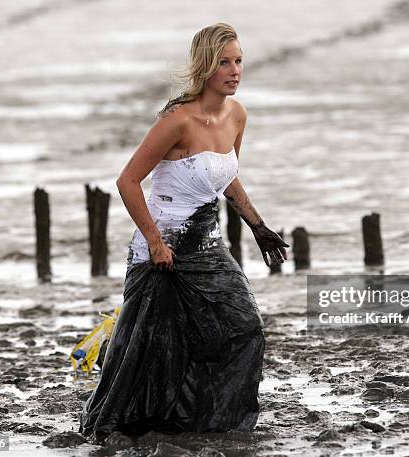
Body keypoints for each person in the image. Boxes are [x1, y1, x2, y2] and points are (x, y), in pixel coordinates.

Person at [78, 22, 289, 443]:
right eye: (225, 63)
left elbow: (225, 176)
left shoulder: (237, 115)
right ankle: (133, 426)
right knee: (152, 349)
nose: (235, 71)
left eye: (239, 61)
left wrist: (259, 226)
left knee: (244, 329)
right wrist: (156, 243)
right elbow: (127, 181)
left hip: (207, 243)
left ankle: (218, 424)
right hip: (164, 249)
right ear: (206, 68)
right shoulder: (177, 121)